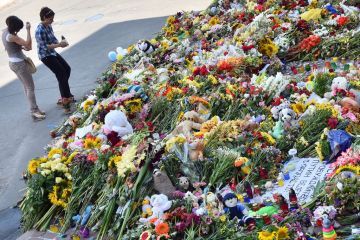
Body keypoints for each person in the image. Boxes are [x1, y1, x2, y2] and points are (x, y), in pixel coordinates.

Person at [2, 16, 46, 121]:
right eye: (18, 29)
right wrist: (28, 30)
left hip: (13, 63)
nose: (18, 30)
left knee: (26, 87)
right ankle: (34, 111)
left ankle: (35, 109)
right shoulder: (12, 37)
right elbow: (28, 45)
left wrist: (20, 47)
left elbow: (10, 46)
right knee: (30, 87)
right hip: (19, 64)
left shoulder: (5, 32)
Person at [35, 7, 74, 110]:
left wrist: (62, 43)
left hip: (52, 53)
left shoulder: (48, 26)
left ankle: (65, 94)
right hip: (45, 55)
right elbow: (45, 46)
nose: (52, 21)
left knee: (67, 69)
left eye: (52, 19)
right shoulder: (39, 30)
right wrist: (59, 45)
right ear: (44, 17)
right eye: (51, 19)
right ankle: (65, 99)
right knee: (61, 74)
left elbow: (53, 39)